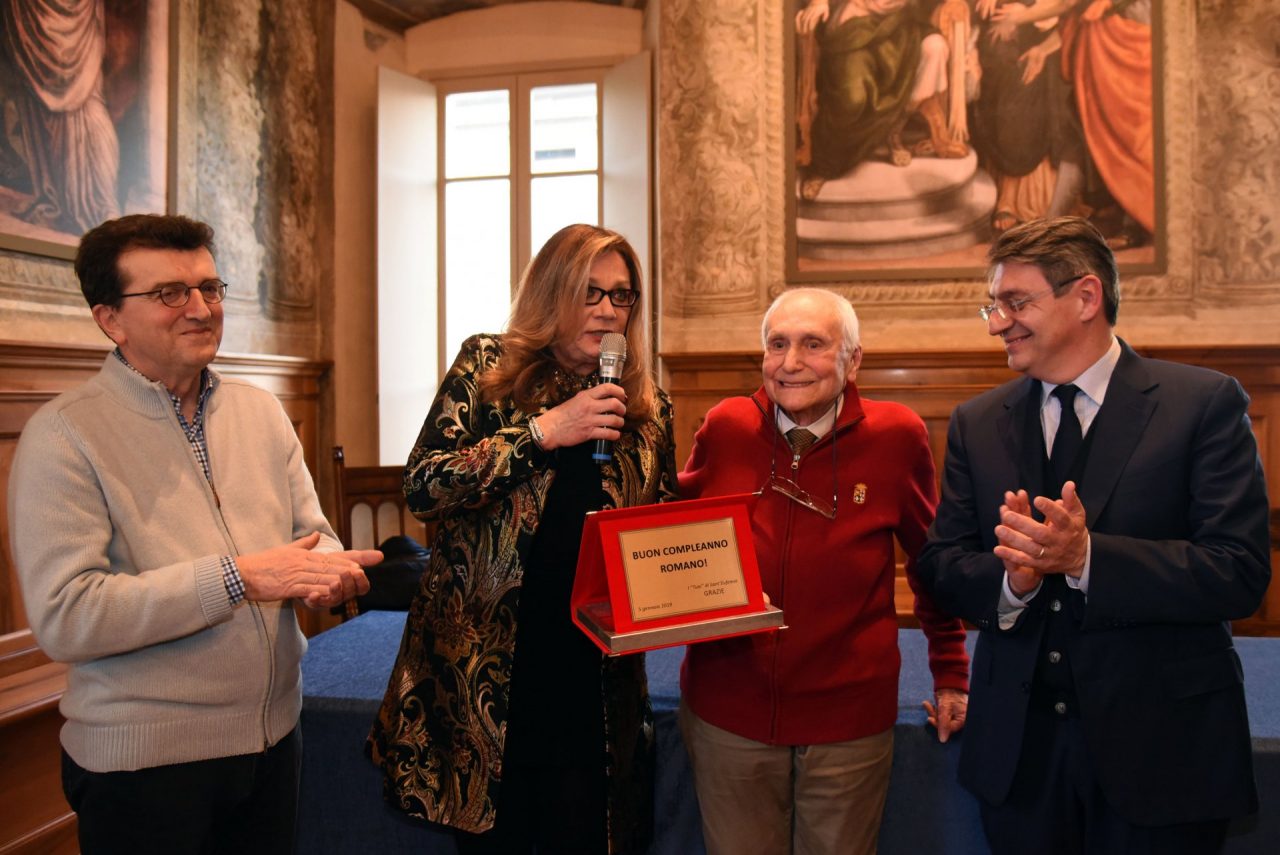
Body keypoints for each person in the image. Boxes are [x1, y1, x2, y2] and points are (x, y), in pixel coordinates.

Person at [9, 213, 380, 854]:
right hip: (145, 767)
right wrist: (239, 578)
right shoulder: (64, 435)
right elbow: (67, 617)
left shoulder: (261, 411)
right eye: (170, 294)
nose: (201, 309)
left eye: (211, 288)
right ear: (110, 318)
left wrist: (327, 571)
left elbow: (311, 537)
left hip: (274, 742)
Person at [917, 216, 1270, 854]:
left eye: (1016, 303)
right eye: (993, 306)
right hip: (1020, 764)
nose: (999, 322)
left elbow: (1238, 572)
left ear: (1086, 298)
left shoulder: (1203, 404)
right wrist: (1012, 584)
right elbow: (942, 565)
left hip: (1163, 758)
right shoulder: (977, 422)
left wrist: (1087, 559)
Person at [367, 224, 678, 855]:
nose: (609, 310)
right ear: (551, 292)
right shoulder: (487, 367)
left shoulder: (646, 403)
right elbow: (425, 487)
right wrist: (541, 432)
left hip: (594, 675)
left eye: (623, 296)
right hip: (491, 670)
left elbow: (660, 520)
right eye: (590, 293)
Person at [677, 287, 971, 855]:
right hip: (727, 715)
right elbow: (674, 532)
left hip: (849, 724)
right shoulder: (725, 426)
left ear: (852, 360)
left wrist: (951, 672)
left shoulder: (898, 436)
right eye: (777, 344)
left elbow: (932, 565)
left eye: (813, 344)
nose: (790, 363)